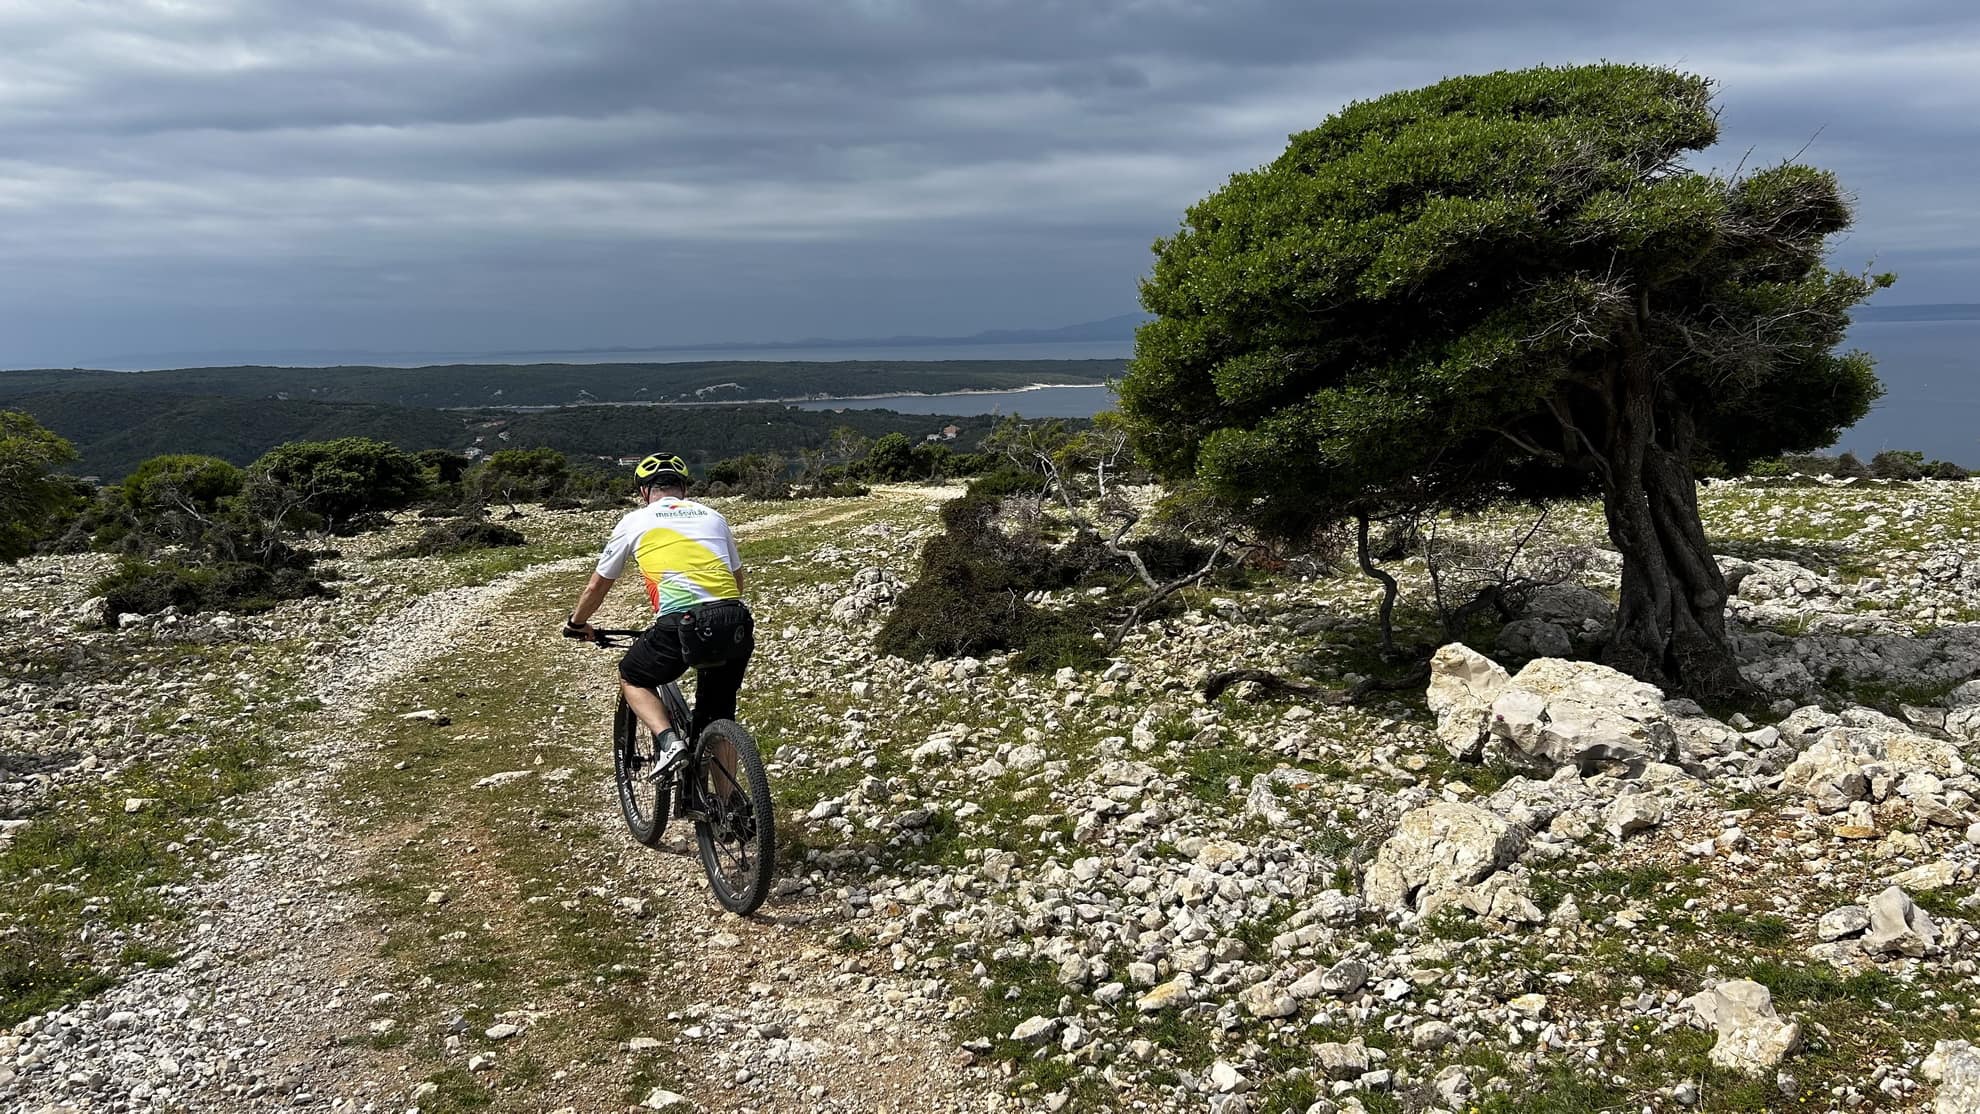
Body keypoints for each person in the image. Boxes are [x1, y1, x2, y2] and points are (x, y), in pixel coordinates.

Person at [564, 452, 754, 774]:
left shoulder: (634, 521)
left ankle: (669, 742)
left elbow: (597, 586)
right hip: (733, 619)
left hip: (681, 623)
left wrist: (577, 623)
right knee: (719, 714)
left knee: (632, 675)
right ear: (684, 488)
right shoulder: (714, 516)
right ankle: (729, 812)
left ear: (643, 492)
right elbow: (737, 581)